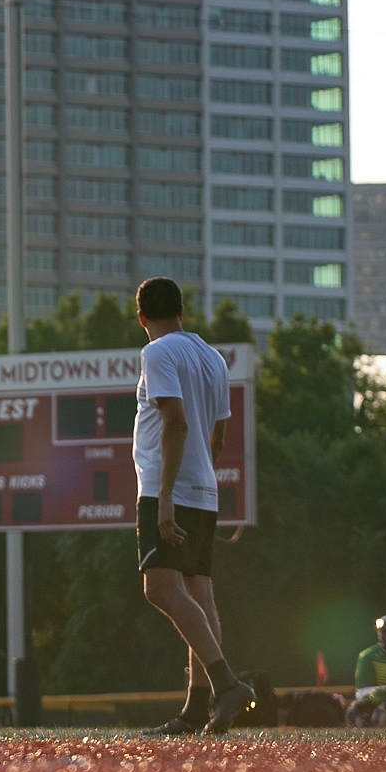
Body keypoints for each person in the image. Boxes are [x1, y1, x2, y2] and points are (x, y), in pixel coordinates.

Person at [130, 276, 256, 736]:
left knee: (160, 589)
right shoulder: (213, 358)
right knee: (199, 594)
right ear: (182, 311)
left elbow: (176, 423)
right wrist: (199, 480)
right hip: (204, 489)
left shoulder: (156, 352)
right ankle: (196, 710)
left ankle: (227, 685)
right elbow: (217, 438)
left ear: (142, 317)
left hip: (167, 489)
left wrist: (165, 496)